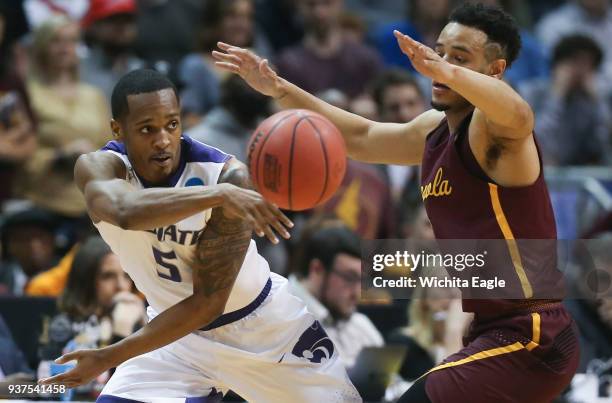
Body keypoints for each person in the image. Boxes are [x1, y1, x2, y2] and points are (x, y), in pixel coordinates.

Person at [214, 2, 580, 402]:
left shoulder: (500, 136)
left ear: (495, 71)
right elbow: (361, 137)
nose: (438, 65)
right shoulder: (433, 131)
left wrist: (443, 70)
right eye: (439, 51)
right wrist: (279, 88)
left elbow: (520, 113)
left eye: (459, 58)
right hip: (491, 329)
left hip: (534, 335)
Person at [40, 68, 360, 402]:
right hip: (174, 340)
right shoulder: (97, 168)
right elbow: (125, 212)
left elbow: (208, 303)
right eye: (147, 129)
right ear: (118, 130)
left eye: (172, 124)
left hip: (264, 330)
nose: (163, 140)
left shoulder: (228, 176)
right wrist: (216, 196)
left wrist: (108, 357)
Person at [38, 236, 144, 399]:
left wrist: (143, 323)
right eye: (108, 276)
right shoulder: (64, 324)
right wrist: (120, 333)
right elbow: (48, 391)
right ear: (85, 280)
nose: (121, 286)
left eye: (127, 276)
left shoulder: (138, 316)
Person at [288, 220, 384, 368]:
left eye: (361, 280)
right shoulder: (282, 313)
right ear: (317, 269)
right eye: (349, 278)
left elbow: (392, 385)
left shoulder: (360, 324)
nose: (357, 293)